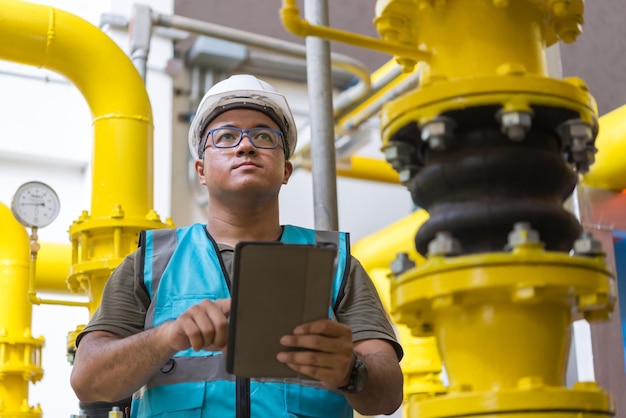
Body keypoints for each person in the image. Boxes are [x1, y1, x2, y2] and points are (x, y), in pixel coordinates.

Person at [70, 74, 404, 418]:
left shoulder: (336, 265)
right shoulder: (150, 263)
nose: (246, 146)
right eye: (227, 136)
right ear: (201, 169)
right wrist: (166, 337)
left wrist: (352, 372)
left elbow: (389, 395)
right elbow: (88, 381)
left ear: (286, 170)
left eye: (263, 136)